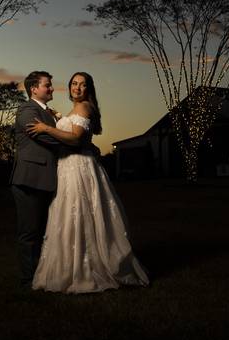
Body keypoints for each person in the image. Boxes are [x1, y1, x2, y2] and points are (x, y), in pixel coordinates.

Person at [25, 72, 149, 293]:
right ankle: (74, 263)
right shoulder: (77, 109)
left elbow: (75, 139)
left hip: (78, 168)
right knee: (70, 215)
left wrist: (47, 128)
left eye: (82, 85)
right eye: (74, 83)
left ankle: (85, 267)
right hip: (68, 167)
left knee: (79, 213)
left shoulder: (84, 108)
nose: (77, 88)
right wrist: (60, 118)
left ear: (88, 89)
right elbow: (76, 132)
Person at [10, 71, 75, 288]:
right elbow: (43, 135)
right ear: (34, 89)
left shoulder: (48, 113)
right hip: (30, 179)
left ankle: (43, 274)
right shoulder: (28, 109)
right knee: (29, 232)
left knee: (46, 230)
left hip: (47, 179)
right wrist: (74, 142)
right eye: (47, 85)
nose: (51, 88)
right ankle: (27, 279)